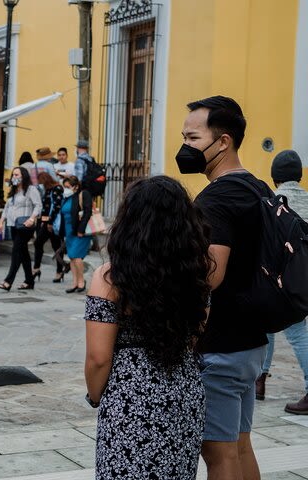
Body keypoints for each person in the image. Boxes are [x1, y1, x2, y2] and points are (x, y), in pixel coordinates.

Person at [85, 175, 211, 479]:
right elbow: (195, 336)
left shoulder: (110, 278)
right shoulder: (197, 274)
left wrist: (95, 395)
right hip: (184, 389)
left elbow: (99, 357)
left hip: (131, 394)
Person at [181, 95, 270, 480]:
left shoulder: (216, 198)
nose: (185, 146)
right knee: (240, 446)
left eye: (192, 137)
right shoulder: (258, 187)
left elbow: (210, 274)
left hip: (219, 345)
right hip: (251, 342)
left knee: (218, 456)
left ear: (223, 141)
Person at [256, 149, 308, 414]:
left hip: (285, 279)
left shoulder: (276, 202)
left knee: (288, 330)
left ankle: (259, 380)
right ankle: (260, 380)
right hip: (305, 277)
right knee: (292, 331)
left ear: (275, 178)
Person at [0, 166, 42, 291]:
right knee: (23, 253)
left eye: (17, 175)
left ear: (23, 176)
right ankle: (29, 281)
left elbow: (38, 205)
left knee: (16, 251)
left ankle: (8, 281)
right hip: (13, 225)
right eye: (13, 175)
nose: (14, 177)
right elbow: (7, 208)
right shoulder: (14, 191)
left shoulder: (31, 190)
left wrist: (32, 218)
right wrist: (1, 222)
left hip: (25, 225)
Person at [61, 175, 92, 293]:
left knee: (77, 256)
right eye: (64, 187)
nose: (65, 189)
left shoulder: (83, 194)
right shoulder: (67, 197)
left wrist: (81, 230)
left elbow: (87, 212)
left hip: (80, 231)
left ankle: (81, 282)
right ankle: (75, 283)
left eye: (68, 187)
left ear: (76, 186)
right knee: (72, 257)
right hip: (69, 231)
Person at [32, 172, 64, 283]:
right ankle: (36, 269)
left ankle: (59, 271)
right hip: (46, 222)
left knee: (56, 246)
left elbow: (56, 206)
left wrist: (50, 222)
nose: (39, 184)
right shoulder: (48, 189)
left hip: (53, 223)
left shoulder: (57, 188)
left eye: (40, 181)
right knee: (38, 243)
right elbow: (46, 207)